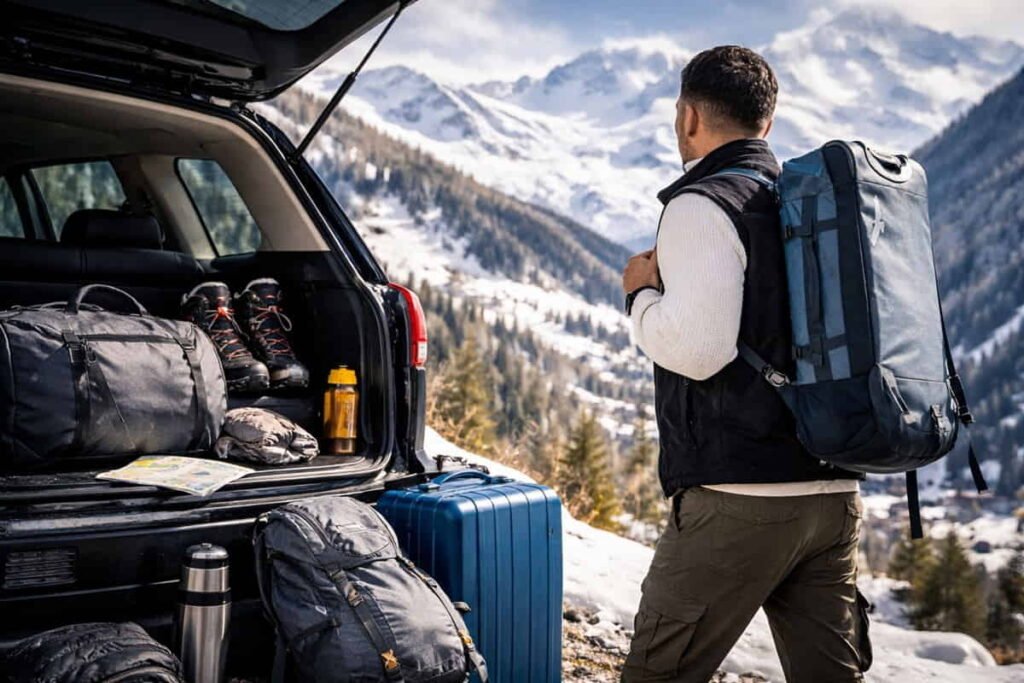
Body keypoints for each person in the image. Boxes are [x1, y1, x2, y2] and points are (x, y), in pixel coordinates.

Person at [620, 46, 867, 683]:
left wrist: (640, 295)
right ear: (768, 121)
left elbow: (701, 352)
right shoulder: (805, 206)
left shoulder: (704, 203)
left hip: (739, 499)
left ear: (688, 117)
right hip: (833, 490)